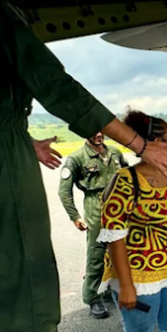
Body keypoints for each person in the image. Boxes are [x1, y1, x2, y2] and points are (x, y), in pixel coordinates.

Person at [0, 0, 167, 332]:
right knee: (21, 276)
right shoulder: (3, 17)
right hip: (127, 262)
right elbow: (58, 89)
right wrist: (138, 144)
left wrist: (20, 141)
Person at [97, 111, 167, 332]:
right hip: (139, 278)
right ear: (152, 144)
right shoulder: (125, 180)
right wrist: (127, 285)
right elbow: (114, 235)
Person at [58, 132, 128, 319]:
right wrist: (75, 216)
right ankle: (93, 297)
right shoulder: (77, 158)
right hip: (95, 207)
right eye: (93, 131)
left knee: (123, 249)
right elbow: (64, 191)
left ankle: (118, 289)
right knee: (97, 253)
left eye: (101, 130)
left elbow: (131, 176)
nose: (98, 134)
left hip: (120, 205)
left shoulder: (115, 153)